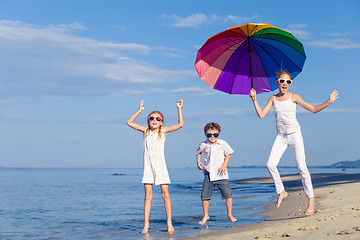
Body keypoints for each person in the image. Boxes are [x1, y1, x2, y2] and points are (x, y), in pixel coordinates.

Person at [249, 70, 339, 216]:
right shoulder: (272, 98)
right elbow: (261, 115)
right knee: (270, 164)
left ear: (291, 84)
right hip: (281, 136)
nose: (285, 84)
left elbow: (314, 109)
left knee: (302, 167)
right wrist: (254, 99)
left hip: (295, 135)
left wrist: (328, 101)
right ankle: (282, 191)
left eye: (288, 81)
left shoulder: (294, 97)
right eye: (282, 81)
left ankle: (311, 201)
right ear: (277, 82)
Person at [126, 99, 184, 234]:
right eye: (151, 118)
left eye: (158, 119)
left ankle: (169, 223)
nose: (154, 120)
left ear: (161, 121)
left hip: (161, 166)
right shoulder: (145, 131)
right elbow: (129, 122)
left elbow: (180, 125)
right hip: (148, 166)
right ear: (148, 121)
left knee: (166, 195)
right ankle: (146, 225)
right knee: (148, 196)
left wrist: (179, 108)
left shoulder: (162, 132)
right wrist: (140, 111)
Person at [196, 122, 237, 225]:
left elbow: (228, 154)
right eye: (209, 135)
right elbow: (198, 152)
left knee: (228, 195)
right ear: (205, 134)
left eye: (215, 135)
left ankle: (229, 214)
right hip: (208, 174)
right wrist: (198, 162)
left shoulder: (222, 143)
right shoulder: (203, 144)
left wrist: (224, 165)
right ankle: (206, 215)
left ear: (219, 134)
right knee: (204, 196)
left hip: (221, 174)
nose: (212, 137)